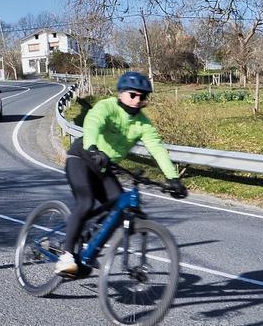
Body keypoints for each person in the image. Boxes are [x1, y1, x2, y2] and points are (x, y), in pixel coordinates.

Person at [54, 71, 188, 276]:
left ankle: (88, 247)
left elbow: (157, 149)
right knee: (86, 202)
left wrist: (173, 179)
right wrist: (93, 148)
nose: (137, 100)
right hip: (82, 157)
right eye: (133, 95)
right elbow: (93, 122)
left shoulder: (143, 123)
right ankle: (66, 255)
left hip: (104, 167)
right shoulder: (107, 106)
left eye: (143, 96)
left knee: (119, 207)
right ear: (121, 93)